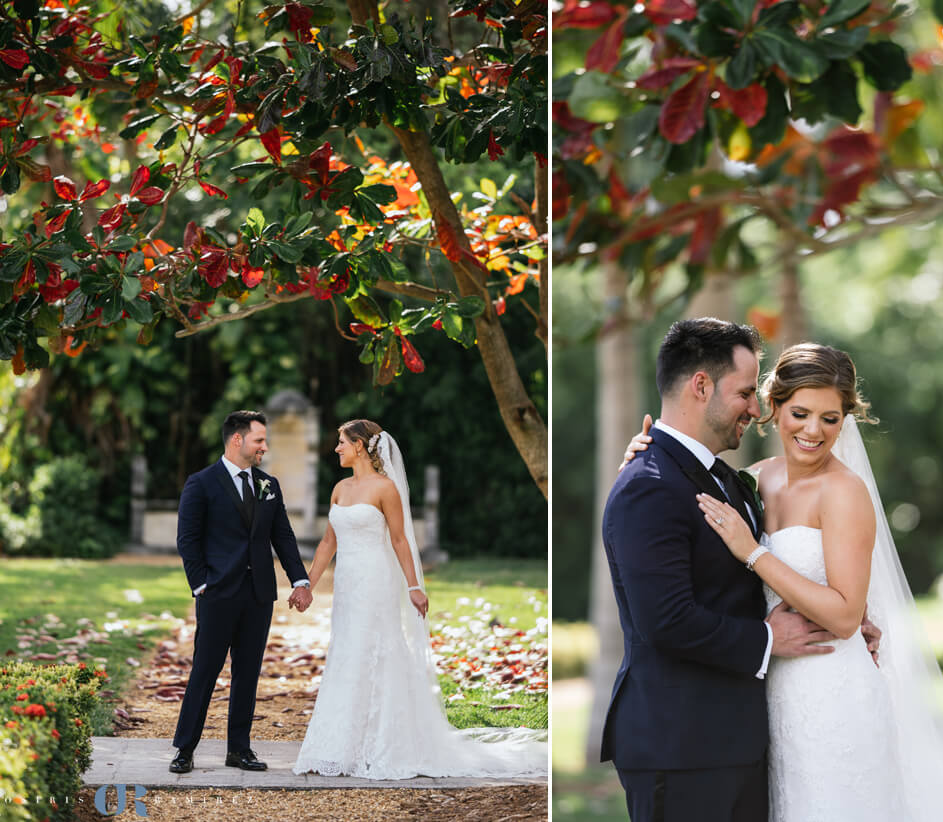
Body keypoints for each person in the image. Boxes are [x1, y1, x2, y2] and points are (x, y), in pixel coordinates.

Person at [629, 341, 943, 821]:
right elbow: (682, 525)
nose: (813, 431)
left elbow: (848, 616)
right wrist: (641, 454)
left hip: (836, 692)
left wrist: (755, 554)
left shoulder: (845, 492)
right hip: (773, 698)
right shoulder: (751, 480)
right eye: (801, 413)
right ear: (775, 406)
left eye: (830, 419)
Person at [601, 318, 881, 822]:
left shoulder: (730, 481)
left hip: (758, 729)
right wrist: (770, 639)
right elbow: (664, 620)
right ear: (701, 386)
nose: (753, 408)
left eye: (830, 418)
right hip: (682, 744)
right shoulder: (654, 482)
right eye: (748, 393)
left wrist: (845, 612)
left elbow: (745, 579)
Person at [292, 419, 546, 779]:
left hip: (376, 582)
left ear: (360, 446)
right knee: (346, 652)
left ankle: (383, 742)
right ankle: (338, 745)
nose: (337, 449)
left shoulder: (386, 489)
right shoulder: (339, 489)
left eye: (342, 443)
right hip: (348, 587)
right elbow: (328, 544)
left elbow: (399, 540)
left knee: (375, 651)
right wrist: (307, 585)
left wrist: (414, 586)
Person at [170, 410, 313, 774]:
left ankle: (240, 749)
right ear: (238, 440)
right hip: (217, 593)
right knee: (205, 671)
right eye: (259, 440)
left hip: (258, 595)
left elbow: (282, 536)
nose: (264, 447)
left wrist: (299, 580)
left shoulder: (269, 485)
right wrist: (201, 584)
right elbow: (187, 539)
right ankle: (184, 749)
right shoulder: (201, 483)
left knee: (248, 674)